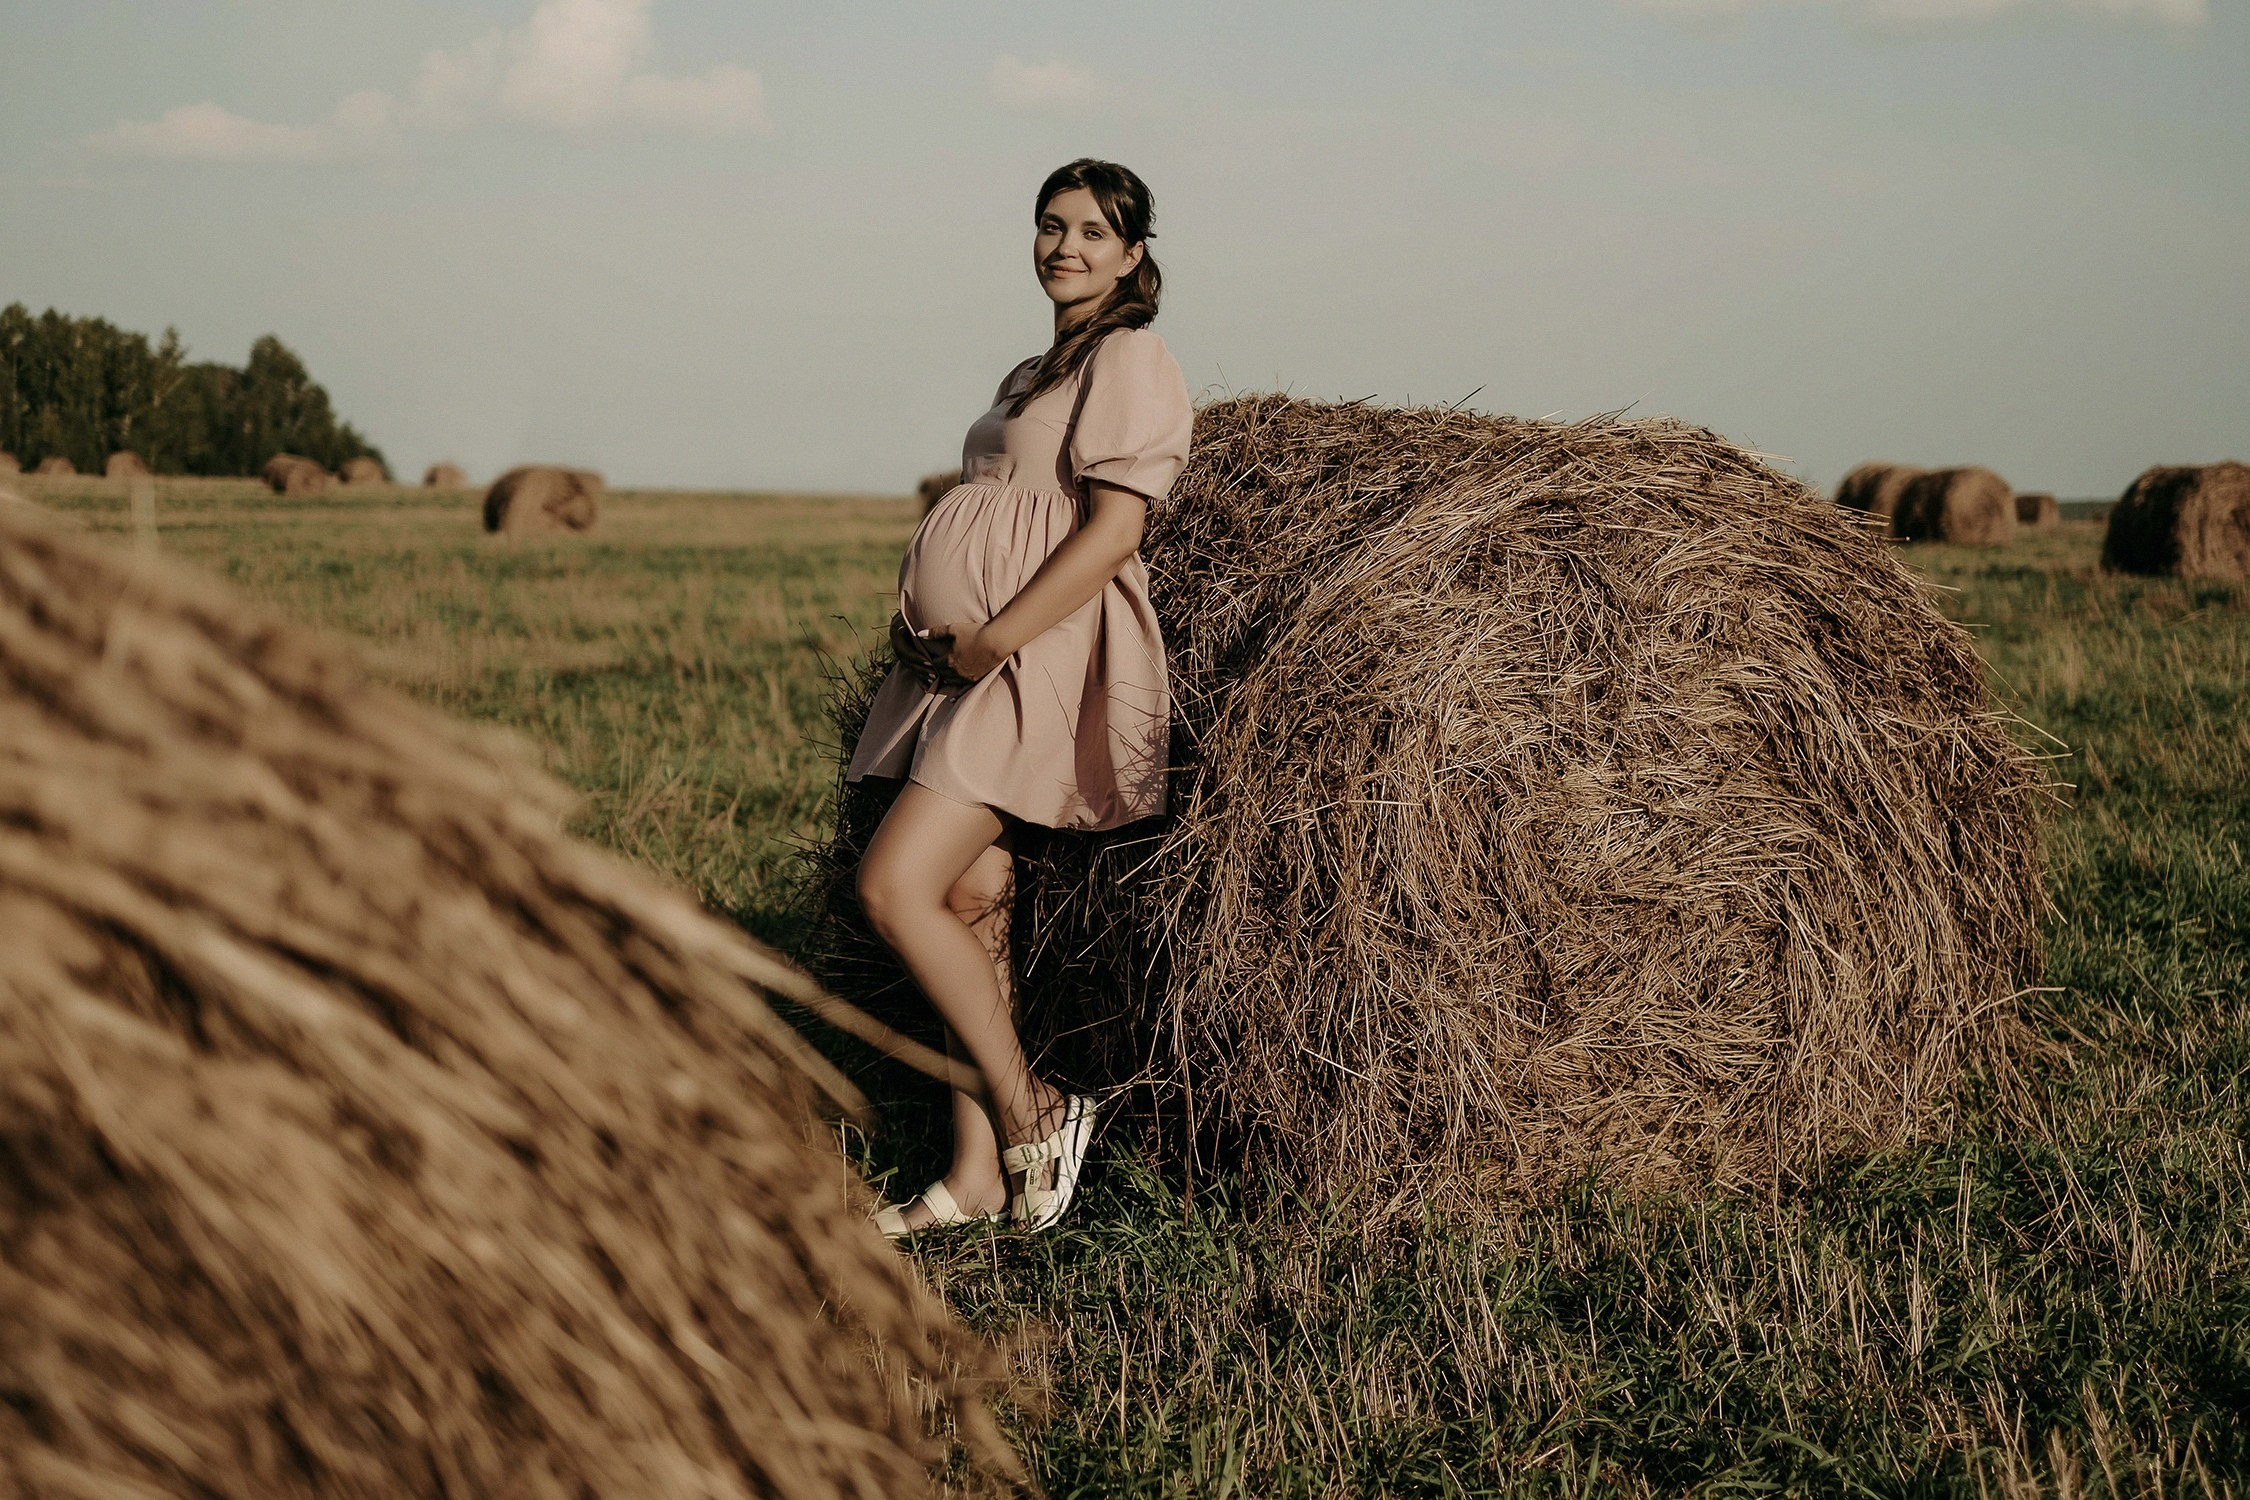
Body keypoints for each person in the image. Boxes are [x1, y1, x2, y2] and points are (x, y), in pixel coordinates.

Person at [848, 159, 1192, 1236]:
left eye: (1093, 231)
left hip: (1031, 658)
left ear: (1134, 254)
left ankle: (1038, 1110)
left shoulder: (1131, 357)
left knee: (892, 887)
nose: (1065, 247)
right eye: (1051, 226)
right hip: (958, 667)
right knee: (964, 902)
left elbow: (1112, 531)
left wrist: (992, 634)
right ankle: (973, 1175)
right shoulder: (1033, 367)